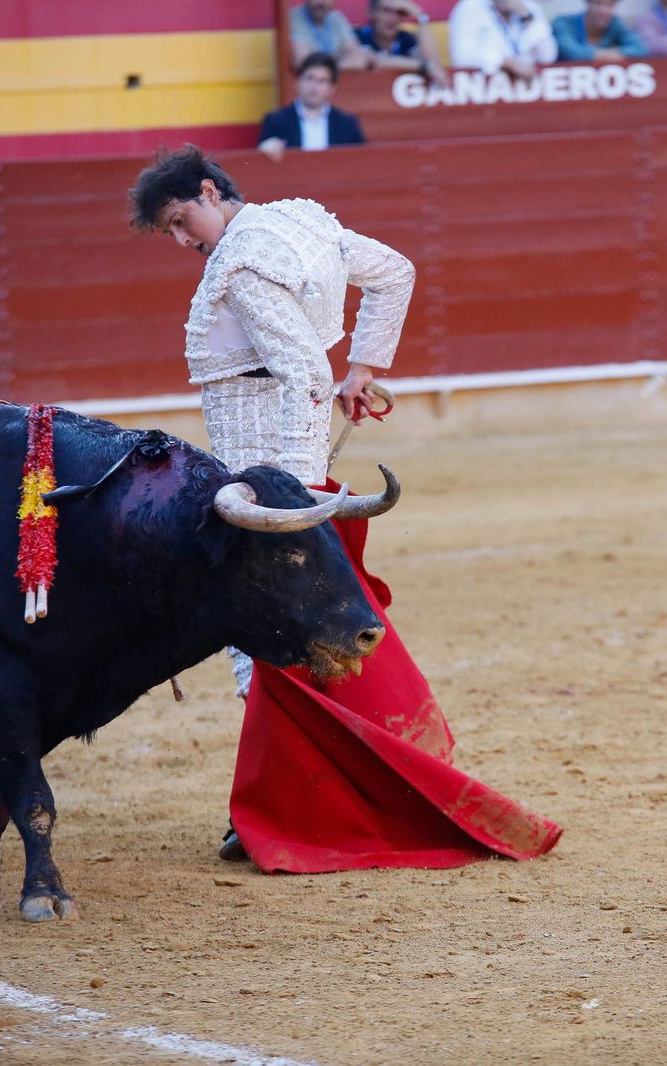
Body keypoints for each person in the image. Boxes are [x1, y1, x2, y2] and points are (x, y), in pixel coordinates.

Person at [126, 146, 563, 873]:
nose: (181, 239)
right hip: (279, 471)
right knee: (289, 631)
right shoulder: (299, 224)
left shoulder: (242, 261)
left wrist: (295, 495)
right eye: (169, 230)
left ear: (210, 190)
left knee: (261, 631)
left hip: (265, 476)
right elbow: (394, 273)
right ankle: (301, 790)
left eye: (181, 219)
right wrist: (363, 369)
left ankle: (294, 800)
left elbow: (304, 371)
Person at [257, 53, 366, 162]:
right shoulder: (276, 121)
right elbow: (261, 160)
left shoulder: (347, 123)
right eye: (310, 78)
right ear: (298, 81)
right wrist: (266, 148)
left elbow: (362, 160)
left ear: (332, 88)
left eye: (322, 81)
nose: (314, 87)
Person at [448, 0, 556, 81]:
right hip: (485, 89)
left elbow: (548, 57)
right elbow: (462, 58)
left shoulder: (528, 7)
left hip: (529, 89)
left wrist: (525, 16)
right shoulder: (470, 7)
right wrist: (508, 63)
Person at [357, 0, 450, 85]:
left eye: (399, 12)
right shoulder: (357, 37)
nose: (393, 18)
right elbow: (372, 61)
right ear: (372, 13)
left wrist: (420, 16)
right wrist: (422, 66)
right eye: (387, 10)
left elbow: (434, 66)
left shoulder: (406, 39)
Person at [553, 0, 648, 62]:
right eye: (598, 3)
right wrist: (605, 55)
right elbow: (570, 52)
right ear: (588, 3)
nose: (604, 11)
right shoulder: (564, 23)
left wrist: (614, 54)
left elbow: (641, 48)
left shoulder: (615, 24)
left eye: (610, 5)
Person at [288, 0, 365, 68]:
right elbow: (303, 63)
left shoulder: (337, 18)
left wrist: (326, 69)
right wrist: (341, 62)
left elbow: (357, 57)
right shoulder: (294, 18)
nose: (322, 2)